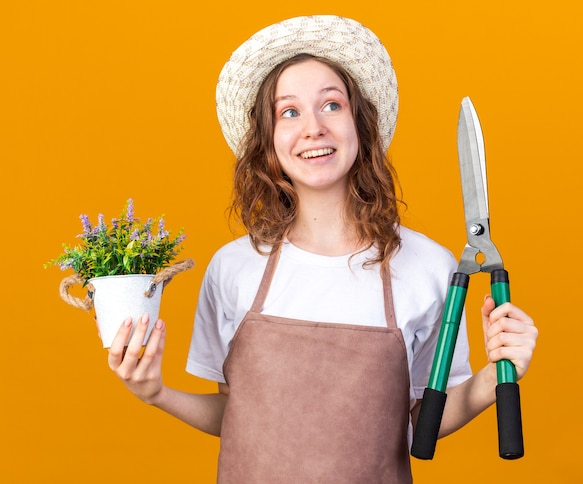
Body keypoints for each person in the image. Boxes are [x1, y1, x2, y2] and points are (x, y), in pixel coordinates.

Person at [108, 15, 538, 483]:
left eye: (331, 105)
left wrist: (496, 377)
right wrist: (154, 393)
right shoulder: (233, 268)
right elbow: (236, 414)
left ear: (361, 124)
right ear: (268, 143)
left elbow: (421, 422)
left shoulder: (428, 267)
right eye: (288, 112)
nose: (312, 127)